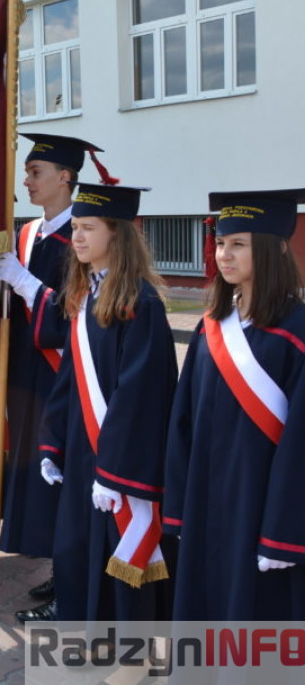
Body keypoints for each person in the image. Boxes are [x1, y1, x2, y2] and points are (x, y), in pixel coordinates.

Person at [36, 183, 177, 622]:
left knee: (118, 555)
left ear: (117, 234)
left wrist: (114, 472)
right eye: (75, 227)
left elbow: (138, 397)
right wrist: (51, 442)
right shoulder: (86, 295)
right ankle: (83, 635)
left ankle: (123, 651)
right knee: (76, 546)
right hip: (83, 449)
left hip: (119, 461)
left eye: (88, 228)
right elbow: (69, 380)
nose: (76, 237)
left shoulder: (141, 303)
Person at [165, 189, 305, 621]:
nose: (223, 254)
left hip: (262, 507)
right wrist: (180, 506)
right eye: (221, 243)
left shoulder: (297, 332)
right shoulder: (212, 326)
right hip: (207, 501)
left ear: (275, 248)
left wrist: (284, 531)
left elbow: (301, 445)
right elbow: (182, 422)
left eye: (238, 244)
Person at [0, 134, 115, 621]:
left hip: (64, 376)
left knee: (67, 477)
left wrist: (25, 284)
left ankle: (75, 588)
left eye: (36, 171)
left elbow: (76, 316)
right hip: (25, 374)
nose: (26, 180)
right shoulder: (27, 235)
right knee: (37, 478)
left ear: (66, 177)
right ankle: (60, 568)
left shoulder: (80, 239)